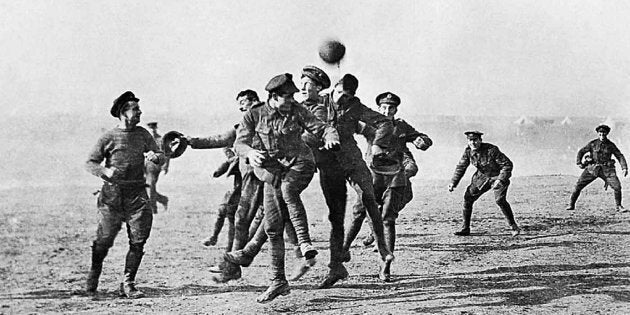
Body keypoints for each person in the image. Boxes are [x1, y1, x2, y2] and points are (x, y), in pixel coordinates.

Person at [234, 73, 340, 303]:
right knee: (273, 227)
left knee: (288, 191)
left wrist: (331, 137)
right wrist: (250, 153)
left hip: (300, 164)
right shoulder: (254, 114)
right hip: (272, 171)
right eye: (287, 96)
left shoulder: (297, 111)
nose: (292, 100)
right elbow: (239, 143)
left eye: (293, 95)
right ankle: (278, 281)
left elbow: (322, 128)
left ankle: (304, 242)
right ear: (273, 97)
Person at [302, 72, 395, 288]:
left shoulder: (356, 106)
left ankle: (383, 250)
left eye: (348, 95)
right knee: (336, 217)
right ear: (333, 88)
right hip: (328, 166)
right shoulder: (316, 103)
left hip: (352, 160)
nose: (343, 98)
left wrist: (378, 143)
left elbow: (384, 122)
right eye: (341, 93)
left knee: (369, 199)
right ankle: (336, 268)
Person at [84, 91, 165, 298]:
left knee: (138, 240)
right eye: (135, 109)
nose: (140, 112)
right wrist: (105, 171)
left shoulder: (143, 134)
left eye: (139, 109)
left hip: (137, 194)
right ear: (123, 112)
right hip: (111, 196)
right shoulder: (108, 137)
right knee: (104, 240)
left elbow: (160, 156)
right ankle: (93, 278)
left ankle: (128, 283)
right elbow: (90, 162)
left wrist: (155, 156)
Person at [345, 92, 432, 281]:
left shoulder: (401, 126)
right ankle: (343, 250)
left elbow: (422, 138)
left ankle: (386, 266)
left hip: (394, 178)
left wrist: (422, 141)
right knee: (358, 213)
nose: (387, 110)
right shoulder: (369, 125)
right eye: (383, 107)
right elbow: (346, 128)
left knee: (388, 219)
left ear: (395, 110)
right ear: (378, 109)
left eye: (390, 108)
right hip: (372, 177)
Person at [448, 131, 520, 237]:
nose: (473, 143)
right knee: (468, 198)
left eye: (475, 140)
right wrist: (453, 182)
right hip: (481, 177)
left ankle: (513, 226)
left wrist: (500, 180)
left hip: (497, 175)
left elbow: (507, 165)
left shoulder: (491, 150)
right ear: (468, 142)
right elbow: (461, 167)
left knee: (500, 200)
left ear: (480, 140)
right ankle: (465, 228)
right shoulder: (468, 151)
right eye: (470, 141)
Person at [566, 124, 628, 212]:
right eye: (600, 133)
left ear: (607, 134)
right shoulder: (593, 144)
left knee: (617, 187)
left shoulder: (610, 145)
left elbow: (619, 155)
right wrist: (579, 162)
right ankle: (571, 204)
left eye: (604, 133)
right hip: (592, 169)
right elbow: (581, 151)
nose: (602, 135)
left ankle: (619, 206)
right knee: (578, 185)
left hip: (607, 170)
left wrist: (624, 168)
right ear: (598, 134)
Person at [145, 122, 169, 214]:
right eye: (150, 129)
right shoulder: (145, 140)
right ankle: (162, 199)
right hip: (144, 166)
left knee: (150, 186)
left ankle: (152, 209)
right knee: (146, 187)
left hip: (155, 167)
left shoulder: (161, 140)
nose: (152, 130)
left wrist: (165, 167)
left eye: (153, 128)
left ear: (156, 128)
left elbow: (166, 154)